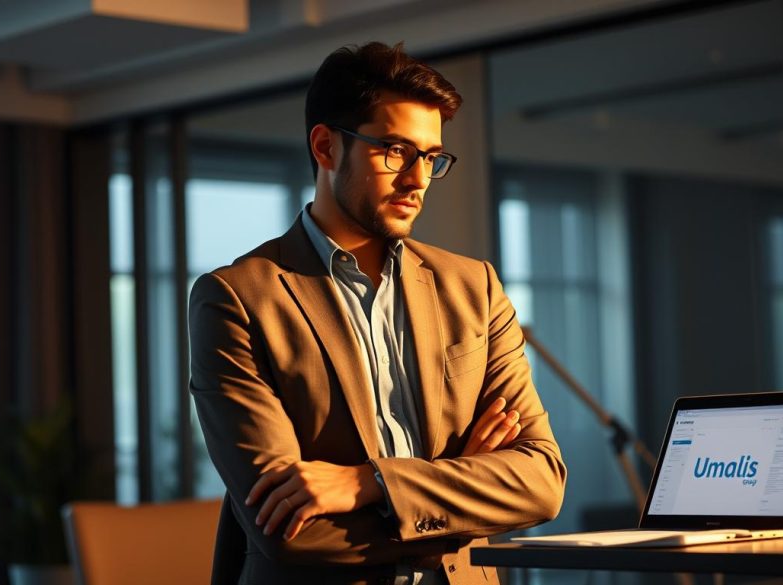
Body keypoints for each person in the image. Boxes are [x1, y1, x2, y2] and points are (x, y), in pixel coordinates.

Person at [189, 41, 566, 585]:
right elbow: (290, 533)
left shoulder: (473, 288)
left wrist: (370, 483)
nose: (417, 179)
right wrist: (460, 488)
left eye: (431, 156)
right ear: (325, 147)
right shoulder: (237, 299)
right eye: (394, 150)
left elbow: (541, 481)